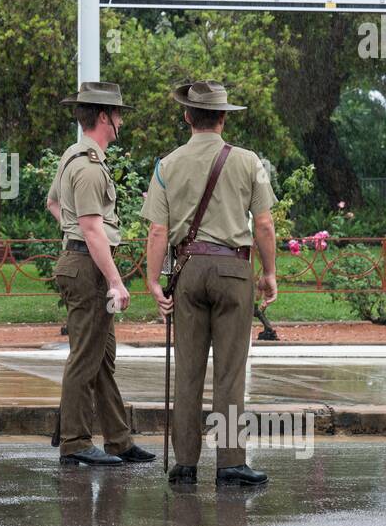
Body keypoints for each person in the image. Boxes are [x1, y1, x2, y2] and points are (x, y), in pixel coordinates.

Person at [142, 80, 277, 486]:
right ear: (223, 117)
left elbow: (157, 231)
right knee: (230, 372)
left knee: (188, 369)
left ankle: (185, 463)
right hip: (234, 270)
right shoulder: (248, 161)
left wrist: (152, 280)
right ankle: (231, 462)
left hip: (188, 270)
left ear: (187, 116)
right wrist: (269, 273)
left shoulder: (167, 165)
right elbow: (265, 225)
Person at [45, 82, 155, 466]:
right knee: (84, 359)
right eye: (119, 114)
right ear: (105, 117)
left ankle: (118, 440)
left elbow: (54, 203)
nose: (122, 120)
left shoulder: (72, 157)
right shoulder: (89, 166)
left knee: (102, 359)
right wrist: (114, 279)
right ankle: (75, 443)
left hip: (82, 261)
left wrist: (73, 230)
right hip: (88, 267)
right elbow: (92, 229)